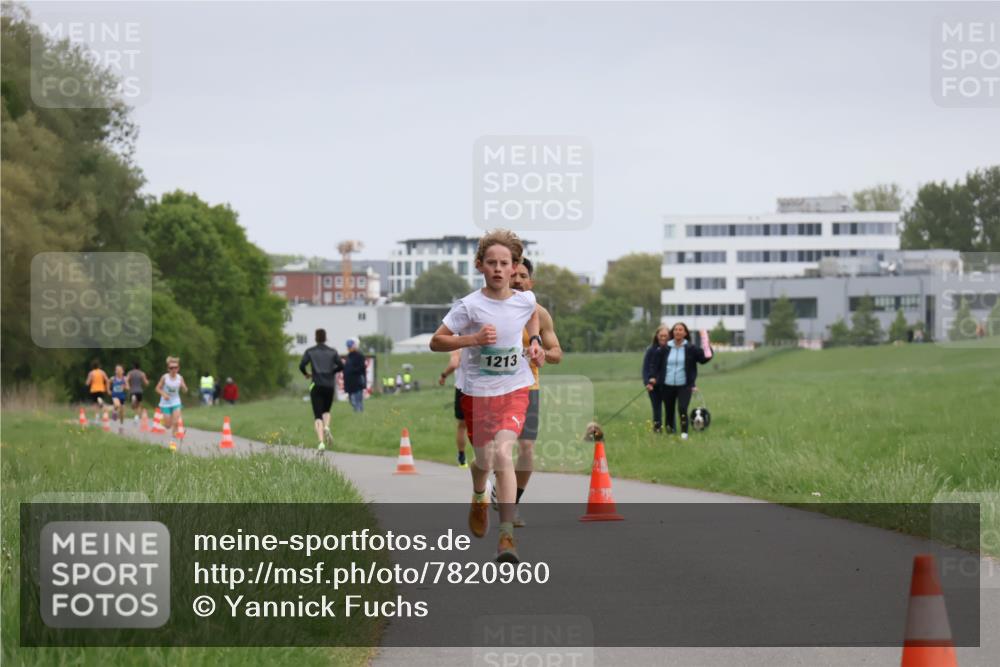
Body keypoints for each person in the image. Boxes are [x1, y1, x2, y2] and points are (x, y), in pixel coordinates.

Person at [430, 228, 544, 563]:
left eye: (504, 263)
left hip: (514, 389)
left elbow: (532, 315)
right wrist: (472, 340)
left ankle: (506, 536)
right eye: (491, 262)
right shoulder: (468, 307)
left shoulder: (525, 300)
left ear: (514, 267)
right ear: (480, 265)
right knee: (483, 461)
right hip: (477, 394)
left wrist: (535, 343)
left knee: (502, 456)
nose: (497, 268)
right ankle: (479, 495)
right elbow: (436, 342)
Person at [491, 257, 562, 527]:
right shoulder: (489, 308)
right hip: (493, 388)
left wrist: (543, 352)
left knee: (527, 449)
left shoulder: (539, 313)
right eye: (514, 275)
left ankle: (513, 504)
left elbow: (558, 353)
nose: (518, 280)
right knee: (494, 451)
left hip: (528, 387)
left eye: (523, 276)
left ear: (530, 282)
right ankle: (493, 487)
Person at [644, 322, 711, 439]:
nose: (678, 332)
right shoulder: (664, 348)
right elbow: (654, 365)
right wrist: (652, 377)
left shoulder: (690, 348)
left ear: (685, 333)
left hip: (684, 385)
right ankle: (670, 433)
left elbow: (704, 358)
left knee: (682, 408)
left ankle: (684, 433)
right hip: (667, 385)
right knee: (669, 410)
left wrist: (706, 343)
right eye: (675, 329)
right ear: (672, 332)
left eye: (681, 330)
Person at [299, 328, 344, 450]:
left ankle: (321, 443)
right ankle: (327, 427)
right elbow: (341, 365)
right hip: (329, 385)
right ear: (325, 338)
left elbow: (301, 365)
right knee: (326, 411)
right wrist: (331, 372)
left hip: (315, 384)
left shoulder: (310, 351)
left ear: (315, 338)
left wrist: (307, 374)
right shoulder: (332, 352)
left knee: (318, 416)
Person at [439, 348, 470, 468]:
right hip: (482, 386)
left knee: (462, 426)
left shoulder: (458, 341)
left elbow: (454, 363)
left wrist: (444, 375)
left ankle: (462, 457)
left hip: (463, 388)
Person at [155, 356, 188, 445]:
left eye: (175, 367)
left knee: (176, 421)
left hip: (176, 401)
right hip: (165, 403)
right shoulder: (164, 377)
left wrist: (184, 387)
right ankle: (163, 421)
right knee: (168, 426)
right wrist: (164, 394)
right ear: (168, 369)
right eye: (171, 368)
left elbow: (185, 390)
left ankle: (173, 440)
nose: (173, 369)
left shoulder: (180, 378)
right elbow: (157, 388)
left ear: (178, 368)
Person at [343, 339, 367, 413]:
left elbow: (361, 368)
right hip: (349, 382)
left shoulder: (359, 356)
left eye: (350, 346)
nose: (349, 348)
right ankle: (357, 411)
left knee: (358, 400)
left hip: (358, 381)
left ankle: (359, 412)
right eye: (348, 347)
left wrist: (351, 371)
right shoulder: (349, 357)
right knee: (351, 400)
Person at [109, 365, 129, 429]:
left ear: (123, 371)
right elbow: (108, 382)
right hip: (114, 395)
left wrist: (124, 386)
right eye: (117, 370)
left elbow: (128, 387)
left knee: (122, 412)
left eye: (119, 370)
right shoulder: (113, 378)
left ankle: (121, 424)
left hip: (122, 396)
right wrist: (109, 390)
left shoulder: (124, 379)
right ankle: (114, 412)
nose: (118, 371)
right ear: (115, 371)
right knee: (117, 404)